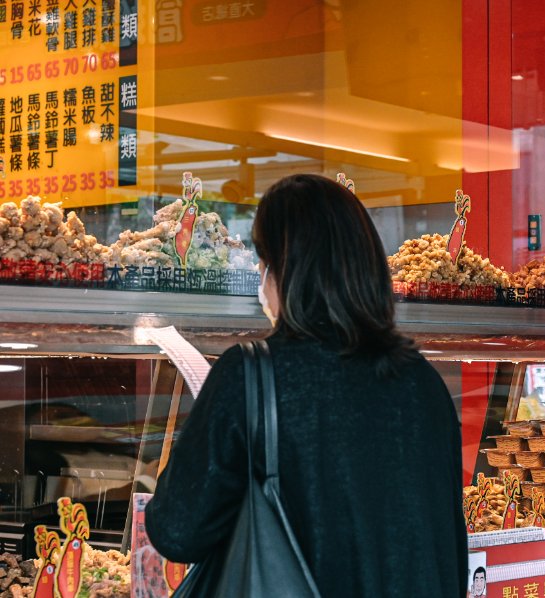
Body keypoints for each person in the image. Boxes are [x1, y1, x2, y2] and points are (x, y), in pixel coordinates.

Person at [145, 173, 467, 597]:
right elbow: (449, 547)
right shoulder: (421, 382)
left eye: (264, 263)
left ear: (284, 272)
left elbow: (177, 532)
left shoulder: (251, 375)